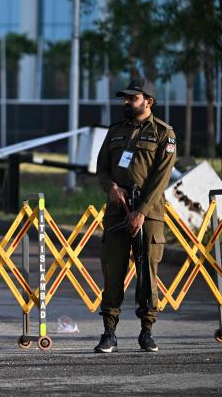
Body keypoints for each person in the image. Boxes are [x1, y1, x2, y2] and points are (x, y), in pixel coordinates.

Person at [94, 78, 177, 353]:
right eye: (126, 99)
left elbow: (161, 179)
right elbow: (102, 169)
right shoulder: (115, 131)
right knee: (113, 272)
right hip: (118, 212)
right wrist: (112, 188)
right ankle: (108, 333)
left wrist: (141, 211)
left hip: (149, 215)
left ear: (148, 102)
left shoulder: (165, 133)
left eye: (133, 98)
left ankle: (147, 331)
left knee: (147, 275)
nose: (127, 103)